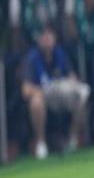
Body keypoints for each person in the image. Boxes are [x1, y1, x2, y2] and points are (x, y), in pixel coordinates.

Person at [21, 25, 90, 159]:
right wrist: (40, 91)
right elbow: (26, 89)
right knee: (36, 102)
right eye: (43, 36)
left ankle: (73, 138)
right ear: (39, 39)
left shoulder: (60, 54)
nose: (47, 39)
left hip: (62, 95)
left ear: (55, 38)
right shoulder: (32, 58)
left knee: (81, 96)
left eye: (49, 35)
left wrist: (73, 85)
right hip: (44, 95)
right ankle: (41, 142)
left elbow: (72, 76)